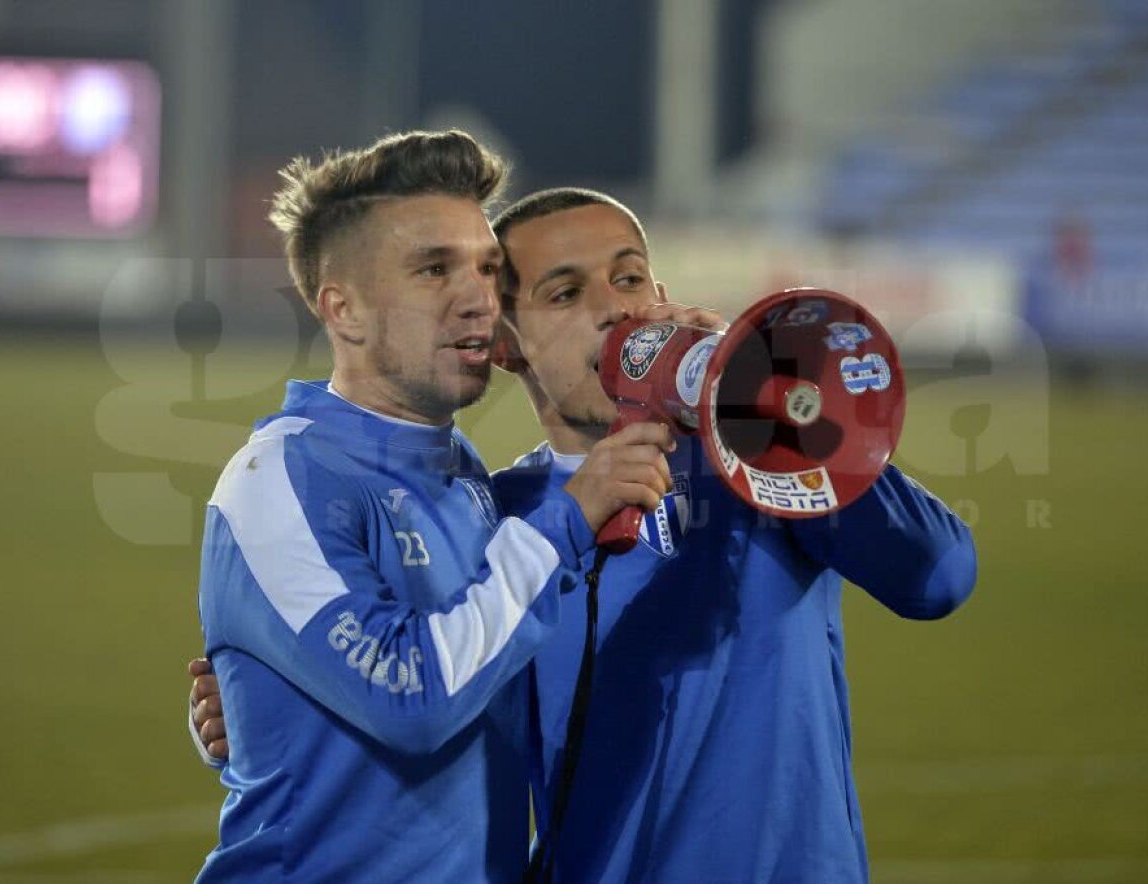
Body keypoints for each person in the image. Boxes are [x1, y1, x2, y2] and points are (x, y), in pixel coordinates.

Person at [193, 186, 978, 883]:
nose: (615, 308)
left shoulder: (760, 466)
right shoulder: (499, 515)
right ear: (504, 344)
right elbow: (416, 682)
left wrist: (759, 403)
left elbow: (937, 575)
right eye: (565, 293)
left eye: (629, 276)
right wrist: (264, 708)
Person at [193, 137, 674, 884]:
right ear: (343, 310)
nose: (479, 297)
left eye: (487, 268)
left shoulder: (462, 472)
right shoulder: (280, 476)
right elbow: (412, 697)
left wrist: (263, 712)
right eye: (432, 270)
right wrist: (564, 523)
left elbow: (481, 654)